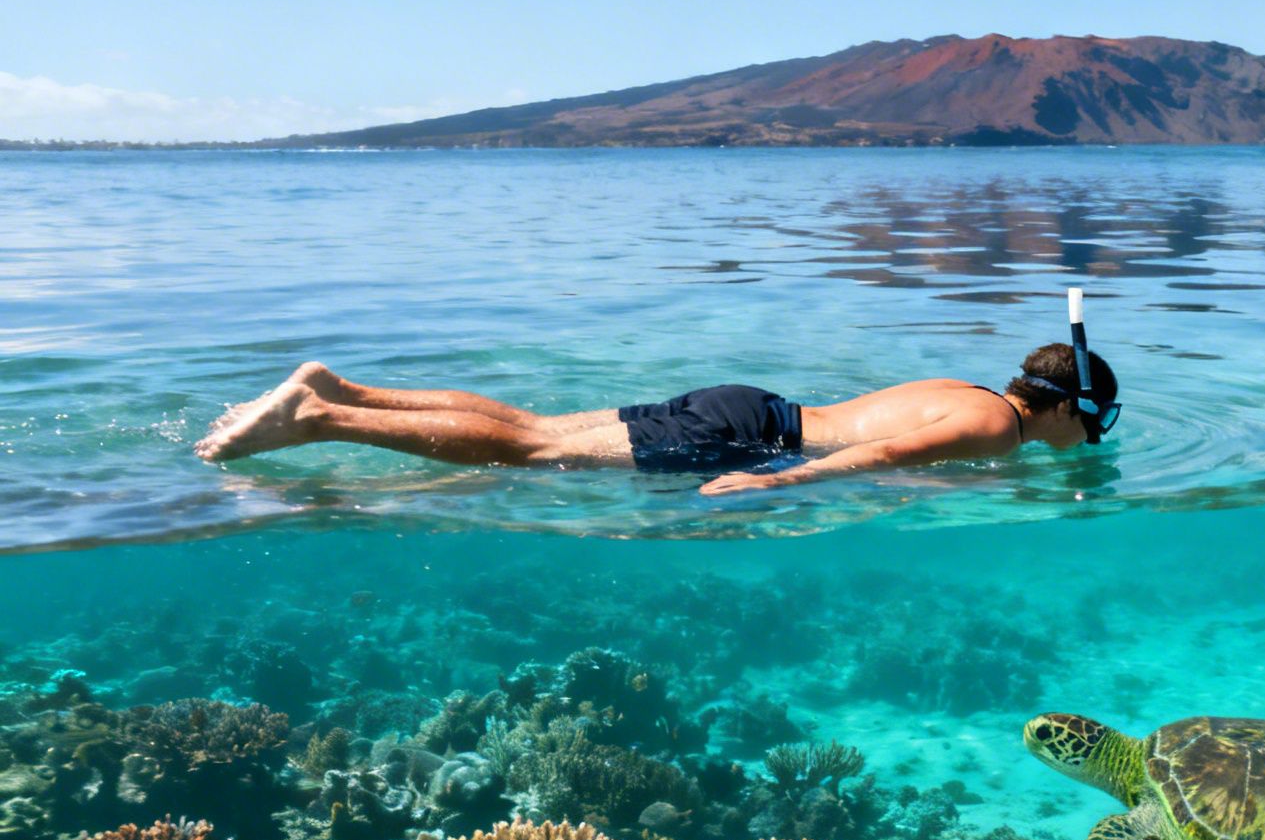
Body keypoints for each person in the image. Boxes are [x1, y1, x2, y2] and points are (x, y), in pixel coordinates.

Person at [193, 344, 1120, 495]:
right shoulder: (998, 431)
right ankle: (319, 420)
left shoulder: (966, 388)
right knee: (527, 453)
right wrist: (778, 484)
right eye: (1099, 424)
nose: (1096, 443)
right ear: (1071, 412)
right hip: (754, 439)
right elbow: (887, 453)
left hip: (754, 402)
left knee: (536, 424)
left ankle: (342, 389)